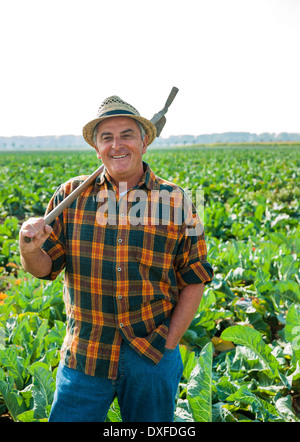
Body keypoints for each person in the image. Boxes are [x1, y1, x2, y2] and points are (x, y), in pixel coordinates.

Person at [19, 95, 214, 422]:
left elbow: (194, 277)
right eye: (106, 137)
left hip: (151, 355)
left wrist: (170, 343)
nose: (116, 144)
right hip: (86, 355)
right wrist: (29, 250)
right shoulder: (70, 197)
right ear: (97, 148)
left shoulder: (176, 200)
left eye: (126, 134)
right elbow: (45, 269)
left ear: (144, 142)